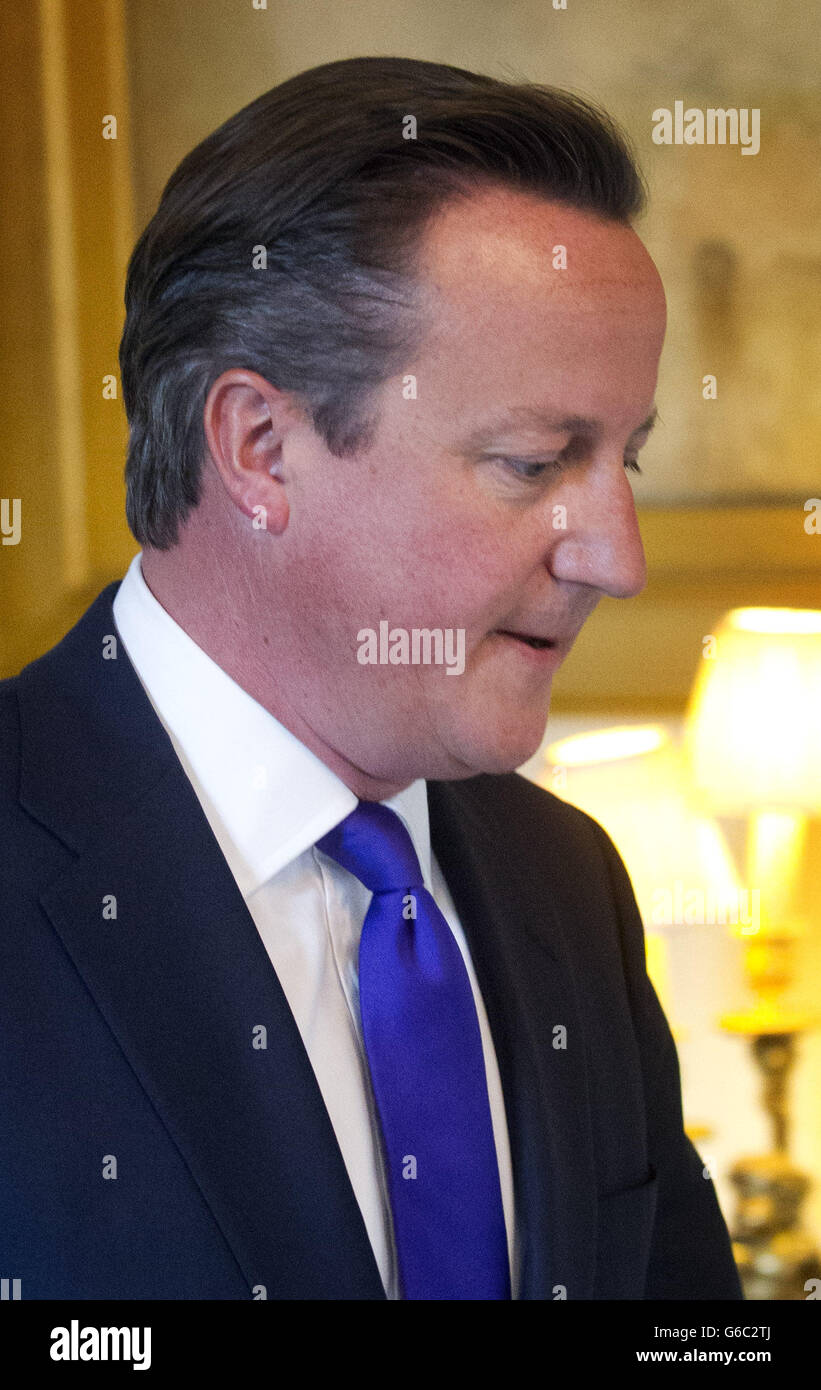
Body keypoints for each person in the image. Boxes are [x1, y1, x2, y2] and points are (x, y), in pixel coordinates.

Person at [0, 56, 742, 1300]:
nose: (619, 556)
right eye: (530, 460)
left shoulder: (569, 884)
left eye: (625, 460)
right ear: (258, 449)